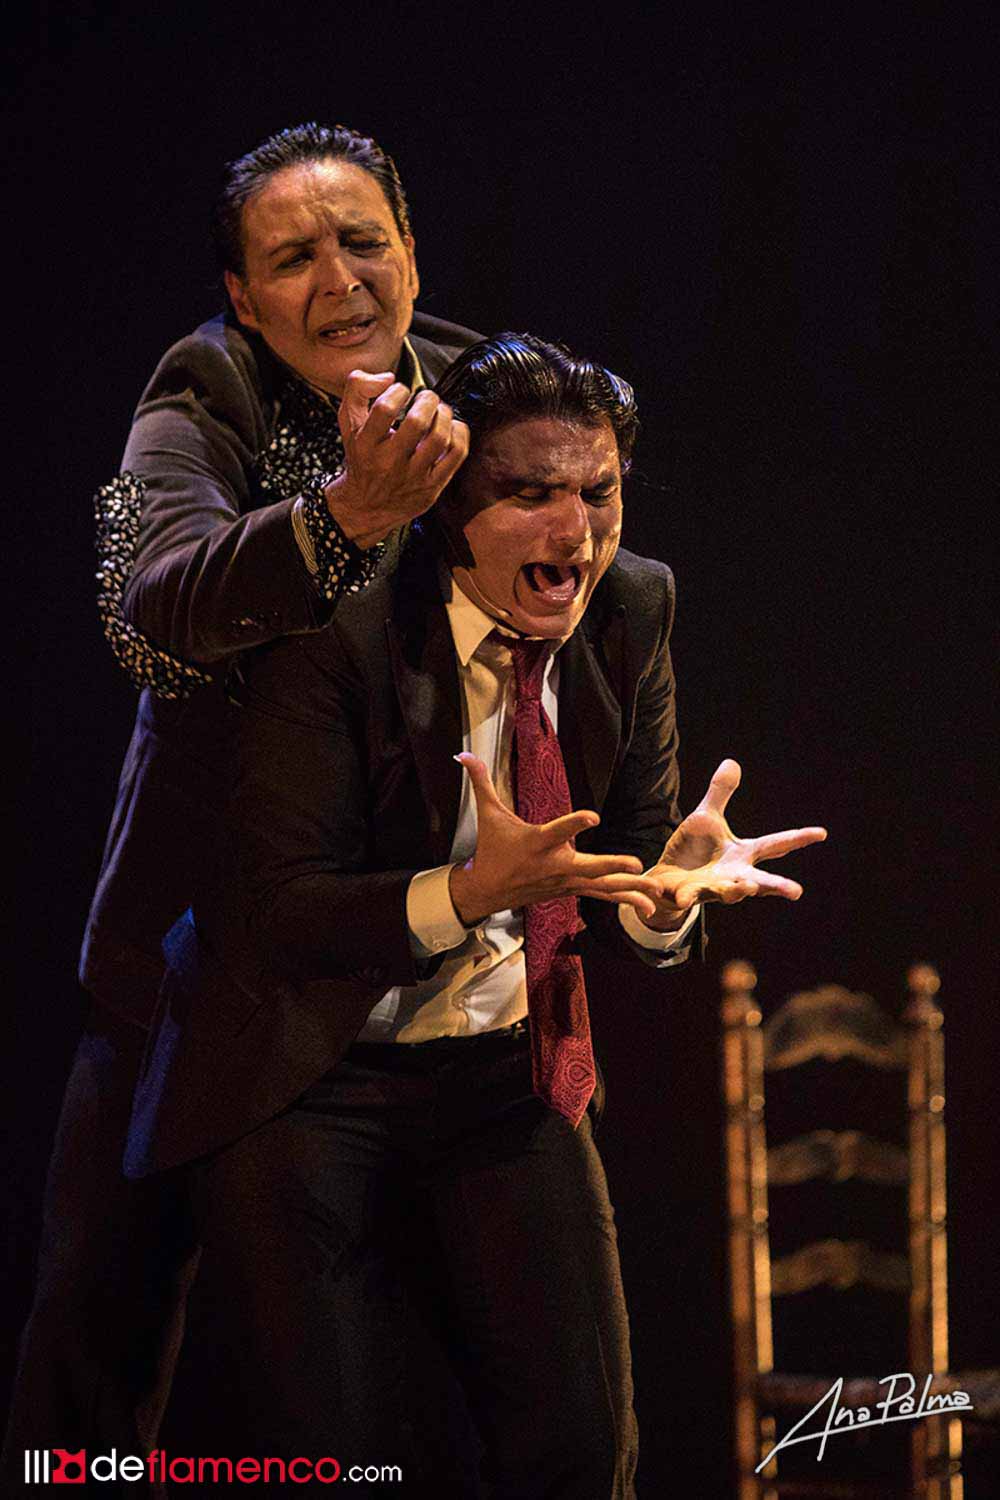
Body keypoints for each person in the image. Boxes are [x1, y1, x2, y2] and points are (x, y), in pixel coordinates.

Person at [129, 334, 827, 1497]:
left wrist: (666, 898)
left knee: (583, 1449)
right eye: (531, 494)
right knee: (341, 1460)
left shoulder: (633, 602)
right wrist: (465, 895)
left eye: (598, 491)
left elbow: (632, 851)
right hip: (307, 1069)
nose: (576, 531)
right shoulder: (339, 622)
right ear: (449, 506)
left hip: (506, 1069)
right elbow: (274, 914)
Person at [3, 121, 478, 1490]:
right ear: (243, 297)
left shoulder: (483, 388)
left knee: (406, 1385)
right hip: (193, 963)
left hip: (410, 959)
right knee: (92, 1370)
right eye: (293, 258)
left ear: (410, 251)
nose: (339, 279)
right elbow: (146, 615)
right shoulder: (200, 388)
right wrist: (343, 519)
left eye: (363, 240)